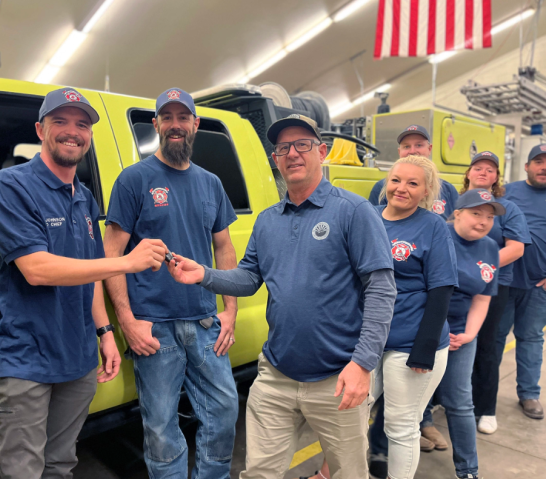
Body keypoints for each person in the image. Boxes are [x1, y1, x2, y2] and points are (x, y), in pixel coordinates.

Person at [168, 114, 397, 479]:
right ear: (275, 159)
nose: (292, 154)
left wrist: (363, 364)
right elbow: (249, 278)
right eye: (283, 148)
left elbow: (382, 289)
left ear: (322, 151)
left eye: (302, 145)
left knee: (349, 473)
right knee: (259, 472)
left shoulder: (353, 211)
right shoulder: (267, 220)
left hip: (337, 379)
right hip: (276, 375)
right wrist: (205, 275)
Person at [0, 88, 167, 479]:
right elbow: (37, 269)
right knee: (21, 471)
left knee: (61, 464)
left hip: (77, 357)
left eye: (82, 124)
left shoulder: (83, 198)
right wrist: (129, 261)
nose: (72, 132)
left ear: (90, 136)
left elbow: (93, 270)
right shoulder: (9, 186)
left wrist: (105, 332)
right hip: (25, 356)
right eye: (60, 122)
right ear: (40, 129)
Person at [103, 88, 239, 479]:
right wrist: (126, 321)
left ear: (195, 124)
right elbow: (111, 257)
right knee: (161, 428)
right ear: (156, 125)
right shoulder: (134, 180)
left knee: (225, 412)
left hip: (204, 323)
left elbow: (224, 249)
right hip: (154, 329)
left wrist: (229, 311)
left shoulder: (211, 183)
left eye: (184, 117)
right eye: (168, 117)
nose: (176, 125)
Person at [311, 156, 459, 479]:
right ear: (385, 183)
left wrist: (425, 348)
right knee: (348, 414)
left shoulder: (432, 226)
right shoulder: (369, 217)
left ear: (426, 191)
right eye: (396, 180)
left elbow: (442, 290)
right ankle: (330, 474)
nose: (401, 188)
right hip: (368, 341)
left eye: (412, 183)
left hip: (411, 344)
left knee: (400, 426)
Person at [436, 188, 504, 479]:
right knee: (411, 402)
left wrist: (468, 335)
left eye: (489, 217)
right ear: (457, 213)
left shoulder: (490, 247)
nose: (483, 221)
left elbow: (482, 298)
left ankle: (468, 470)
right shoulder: (438, 236)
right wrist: (438, 333)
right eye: (476, 213)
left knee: (460, 401)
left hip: (462, 335)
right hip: (425, 331)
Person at [462, 152, 531, 435]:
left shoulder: (507, 208)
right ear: (468, 172)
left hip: (493, 284)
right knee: (452, 341)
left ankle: (485, 408)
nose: (483, 172)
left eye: (490, 170)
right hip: (452, 284)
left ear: (496, 178)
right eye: (478, 167)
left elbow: (516, 247)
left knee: (488, 345)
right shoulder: (455, 203)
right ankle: (447, 399)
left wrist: (481, 268)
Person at [497, 144, 546, 420]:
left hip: (538, 284)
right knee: (494, 339)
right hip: (503, 281)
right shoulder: (507, 193)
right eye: (538, 161)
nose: (544, 167)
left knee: (530, 338)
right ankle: (481, 391)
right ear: (526, 166)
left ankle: (529, 393)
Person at [368, 124, 459, 220]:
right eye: (406, 146)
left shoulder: (448, 190)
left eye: (419, 145)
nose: (412, 151)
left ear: (429, 149)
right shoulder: (381, 188)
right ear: (399, 152)